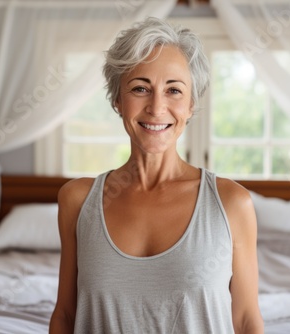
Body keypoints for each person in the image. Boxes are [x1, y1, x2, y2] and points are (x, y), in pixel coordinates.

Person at [49, 17, 264, 334]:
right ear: (117, 101)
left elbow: (246, 320)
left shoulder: (232, 204)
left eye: (174, 90)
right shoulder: (77, 201)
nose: (156, 107)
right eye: (140, 88)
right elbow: (66, 316)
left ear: (191, 105)